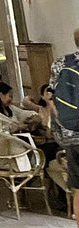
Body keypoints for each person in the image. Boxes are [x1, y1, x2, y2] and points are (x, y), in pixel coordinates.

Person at [47, 26, 79, 228]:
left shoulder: (62, 63)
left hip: (71, 135)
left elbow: (51, 98)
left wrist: (61, 124)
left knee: (78, 188)